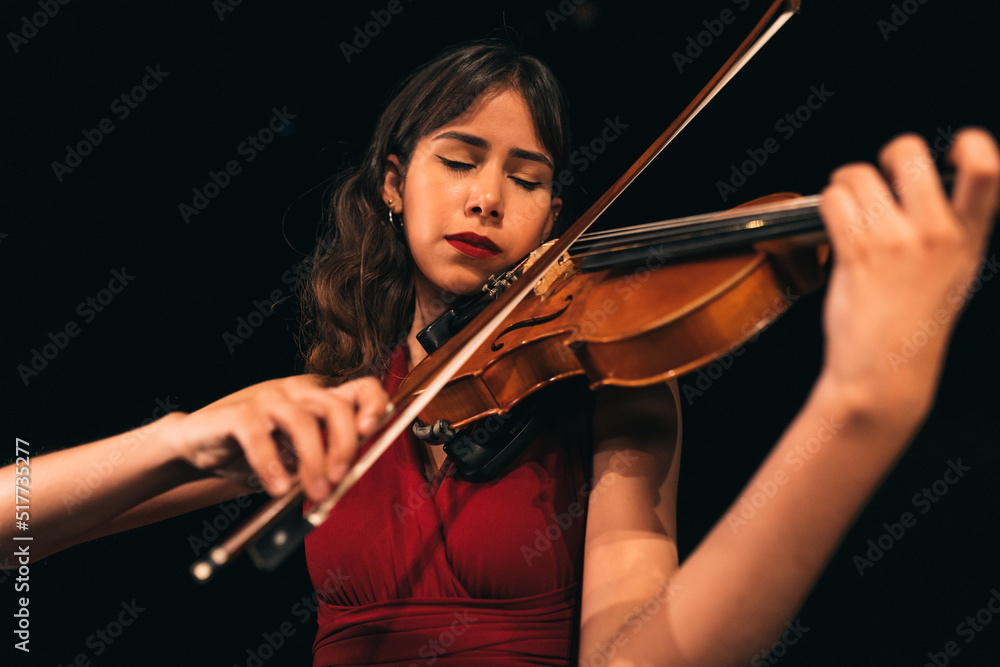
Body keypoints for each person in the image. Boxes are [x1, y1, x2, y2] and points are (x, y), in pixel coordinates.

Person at [2, 39, 999, 666]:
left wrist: (855, 406)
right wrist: (179, 437)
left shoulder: (610, 389)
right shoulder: (324, 405)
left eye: (526, 179)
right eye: (458, 159)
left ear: (554, 218)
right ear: (393, 183)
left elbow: (635, 656)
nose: (487, 197)